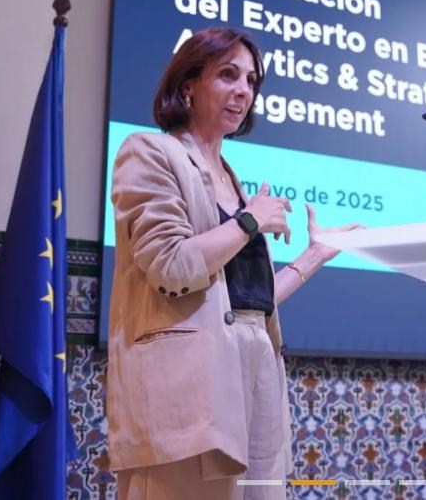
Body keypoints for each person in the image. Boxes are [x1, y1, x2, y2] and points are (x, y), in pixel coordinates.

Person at [106, 27, 356, 500]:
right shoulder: (150, 151)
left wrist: (313, 256)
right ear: (189, 84)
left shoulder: (231, 177)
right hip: (187, 382)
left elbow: (244, 300)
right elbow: (170, 266)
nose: (244, 90)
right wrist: (248, 221)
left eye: (251, 81)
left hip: (257, 365)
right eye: (228, 75)